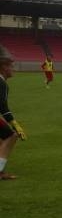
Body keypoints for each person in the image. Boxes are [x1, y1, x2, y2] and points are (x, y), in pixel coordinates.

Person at [0, 52, 25, 180]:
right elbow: (3, 107)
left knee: (3, 138)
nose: (13, 69)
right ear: (4, 67)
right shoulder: (2, 83)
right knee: (11, 136)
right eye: (11, 66)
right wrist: (16, 125)